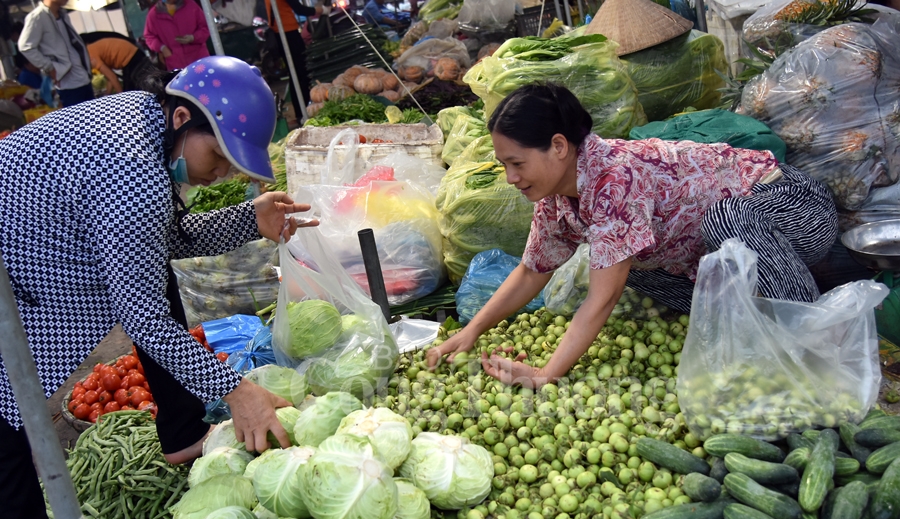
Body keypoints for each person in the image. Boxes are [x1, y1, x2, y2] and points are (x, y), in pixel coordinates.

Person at [0, 55, 318, 519]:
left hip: (37, 256)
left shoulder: (141, 120)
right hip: (24, 276)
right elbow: (142, 320)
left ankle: (180, 433)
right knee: (7, 430)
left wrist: (250, 218)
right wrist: (236, 391)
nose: (220, 173)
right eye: (216, 155)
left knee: (153, 283)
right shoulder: (130, 167)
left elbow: (158, 239)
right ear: (181, 121)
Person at [427, 83, 838, 389]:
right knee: (625, 264)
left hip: (792, 207)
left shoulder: (614, 176)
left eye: (516, 163)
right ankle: (745, 317)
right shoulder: (555, 198)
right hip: (731, 246)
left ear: (558, 146)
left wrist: (545, 374)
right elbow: (532, 272)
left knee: (724, 219)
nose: (511, 178)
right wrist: (472, 331)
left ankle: (811, 336)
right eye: (504, 165)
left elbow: (601, 299)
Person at [17, 0, 93, 107]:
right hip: (68, 83)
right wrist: (49, 67)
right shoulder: (37, 16)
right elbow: (25, 46)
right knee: (78, 122)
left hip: (84, 78)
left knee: (93, 120)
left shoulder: (62, 14)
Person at [263, 0, 328, 122]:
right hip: (288, 33)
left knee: (295, 74)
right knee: (300, 73)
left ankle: (300, 112)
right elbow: (300, 9)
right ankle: (303, 111)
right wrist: (321, 10)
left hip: (282, 33)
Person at [143, 0, 210, 71]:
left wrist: (193, 38)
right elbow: (149, 36)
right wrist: (163, 48)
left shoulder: (191, 5)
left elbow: (206, 27)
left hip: (200, 60)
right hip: (176, 64)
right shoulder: (153, 14)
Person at [87, 36, 161, 94]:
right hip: (133, 53)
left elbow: (113, 78)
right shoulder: (90, 50)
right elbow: (110, 78)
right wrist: (107, 95)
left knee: (130, 92)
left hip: (130, 58)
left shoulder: (90, 56)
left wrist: (121, 100)